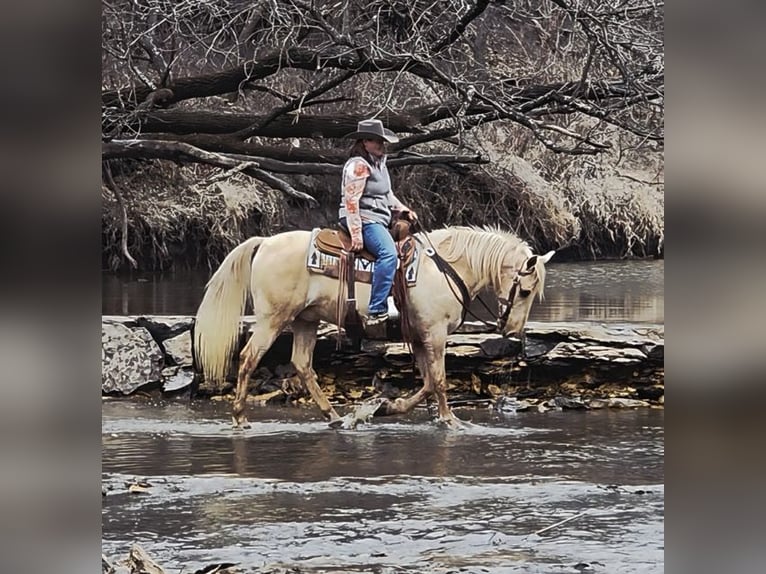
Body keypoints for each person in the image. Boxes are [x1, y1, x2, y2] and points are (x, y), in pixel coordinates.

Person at [338, 118, 418, 327]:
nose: (381, 145)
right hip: (364, 219)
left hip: (378, 218)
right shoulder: (358, 166)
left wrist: (402, 209)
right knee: (388, 253)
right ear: (364, 142)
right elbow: (351, 200)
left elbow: (387, 194)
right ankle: (377, 309)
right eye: (376, 141)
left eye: (382, 141)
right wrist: (356, 233)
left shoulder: (379, 164)